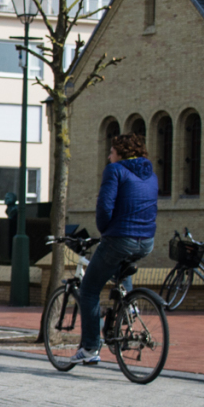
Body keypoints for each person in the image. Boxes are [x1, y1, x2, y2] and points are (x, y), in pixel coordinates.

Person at [72, 133, 159, 364]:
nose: (109, 156)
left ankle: (90, 349)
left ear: (121, 153)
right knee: (121, 271)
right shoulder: (151, 175)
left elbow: (105, 206)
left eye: (111, 152)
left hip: (120, 238)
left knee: (89, 290)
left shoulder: (115, 170)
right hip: (147, 241)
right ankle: (129, 311)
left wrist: (104, 230)